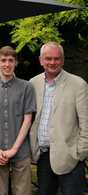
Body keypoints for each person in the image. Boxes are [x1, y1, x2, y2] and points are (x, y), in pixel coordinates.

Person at [29, 42, 88, 195]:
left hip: (69, 157)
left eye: (57, 59)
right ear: (40, 60)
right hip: (43, 157)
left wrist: (79, 153)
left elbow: (85, 123)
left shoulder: (78, 84)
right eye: (48, 58)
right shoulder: (32, 84)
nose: (52, 62)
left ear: (63, 60)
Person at [0, 46, 35, 195]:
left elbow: (27, 120)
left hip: (21, 151)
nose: (7, 64)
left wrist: (14, 149)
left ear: (16, 62)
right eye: (3, 60)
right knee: (0, 192)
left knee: (23, 192)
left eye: (11, 60)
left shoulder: (27, 87)